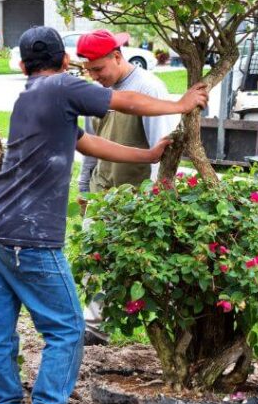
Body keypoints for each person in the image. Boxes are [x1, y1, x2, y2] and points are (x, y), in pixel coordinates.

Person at [0, 26, 208, 404]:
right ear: (66, 62)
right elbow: (126, 100)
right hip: (30, 238)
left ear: (24, 65)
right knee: (66, 328)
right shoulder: (61, 86)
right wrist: (180, 102)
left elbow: (87, 143)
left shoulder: (28, 96)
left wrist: (148, 156)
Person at [73, 29, 179, 345]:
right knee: (95, 259)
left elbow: (164, 151)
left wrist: (157, 198)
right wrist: (83, 187)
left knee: (146, 270)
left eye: (98, 69)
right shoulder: (96, 94)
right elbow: (90, 144)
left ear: (117, 57)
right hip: (103, 190)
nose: (94, 76)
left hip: (138, 197)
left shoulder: (149, 89)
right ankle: (93, 329)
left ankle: (166, 330)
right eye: (88, 71)